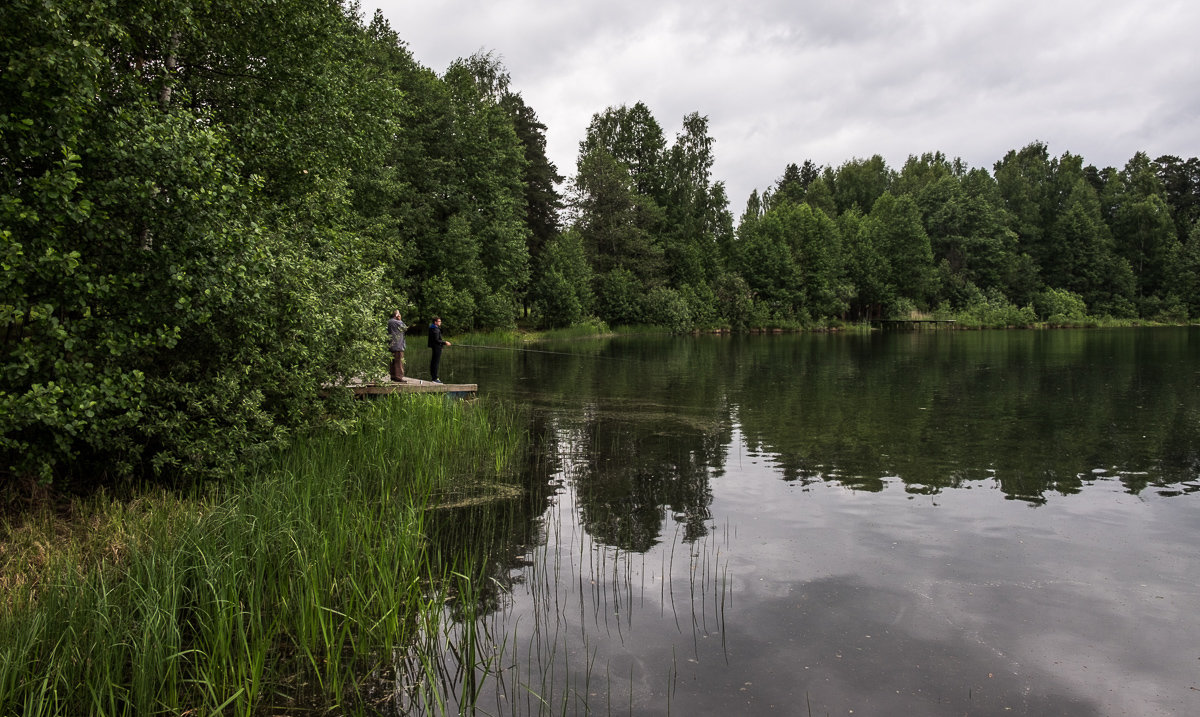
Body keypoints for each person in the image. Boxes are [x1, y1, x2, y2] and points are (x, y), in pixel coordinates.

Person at [427, 316, 451, 383]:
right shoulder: (435, 329)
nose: (440, 322)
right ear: (435, 322)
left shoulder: (433, 328)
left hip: (436, 347)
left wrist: (441, 346)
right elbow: (437, 340)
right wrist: (445, 342)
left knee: (434, 362)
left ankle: (434, 377)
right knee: (435, 363)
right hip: (436, 348)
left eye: (440, 321)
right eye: (439, 321)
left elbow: (436, 340)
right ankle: (435, 378)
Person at [387, 310, 407, 382]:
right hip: (398, 345)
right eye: (399, 314)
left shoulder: (389, 322)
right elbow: (405, 328)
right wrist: (400, 319)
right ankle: (398, 377)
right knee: (399, 362)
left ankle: (393, 376)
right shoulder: (397, 322)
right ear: (397, 315)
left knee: (392, 361)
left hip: (391, 344)